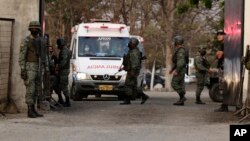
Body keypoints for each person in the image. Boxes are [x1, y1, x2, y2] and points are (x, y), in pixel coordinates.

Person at [19, 21, 44, 118]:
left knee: (37, 89)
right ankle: (30, 110)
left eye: (36, 28)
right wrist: (23, 69)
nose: (35, 30)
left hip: (37, 67)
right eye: (33, 28)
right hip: (29, 67)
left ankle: (34, 109)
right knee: (31, 89)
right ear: (30, 29)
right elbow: (22, 57)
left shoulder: (40, 41)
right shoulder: (26, 41)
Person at [120, 38, 141, 105]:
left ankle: (127, 100)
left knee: (128, 85)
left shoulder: (134, 52)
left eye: (130, 43)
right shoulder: (132, 50)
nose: (129, 44)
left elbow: (135, 63)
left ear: (134, 44)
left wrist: (132, 71)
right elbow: (129, 61)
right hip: (131, 70)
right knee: (133, 85)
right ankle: (140, 96)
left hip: (132, 71)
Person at [169, 35, 187, 106]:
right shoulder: (180, 50)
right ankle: (181, 100)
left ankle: (182, 97)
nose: (174, 42)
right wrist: (172, 69)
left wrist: (177, 71)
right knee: (180, 84)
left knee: (174, 83)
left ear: (177, 42)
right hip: (180, 69)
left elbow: (180, 62)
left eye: (175, 41)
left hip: (180, 70)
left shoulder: (181, 51)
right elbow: (177, 62)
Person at [213, 29, 228, 112]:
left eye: (221, 34)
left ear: (225, 35)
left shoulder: (225, 45)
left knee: (223, 87)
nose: (219, 35)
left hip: (224, 68)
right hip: (222, 67)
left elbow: (219, 56)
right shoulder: (222, 45)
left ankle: (224, 106)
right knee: (223, 87)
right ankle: (224, 105)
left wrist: (219, 53)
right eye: (218, 34)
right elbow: (218, 55)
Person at [57, 38, 71, 107]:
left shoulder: (65, 51)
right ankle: (61, 100)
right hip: (63, 70)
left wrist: (58, 67)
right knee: (59, 86)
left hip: (64, 71)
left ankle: (67, 101)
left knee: (64, 86)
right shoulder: (64, 50)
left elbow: (63, 61)